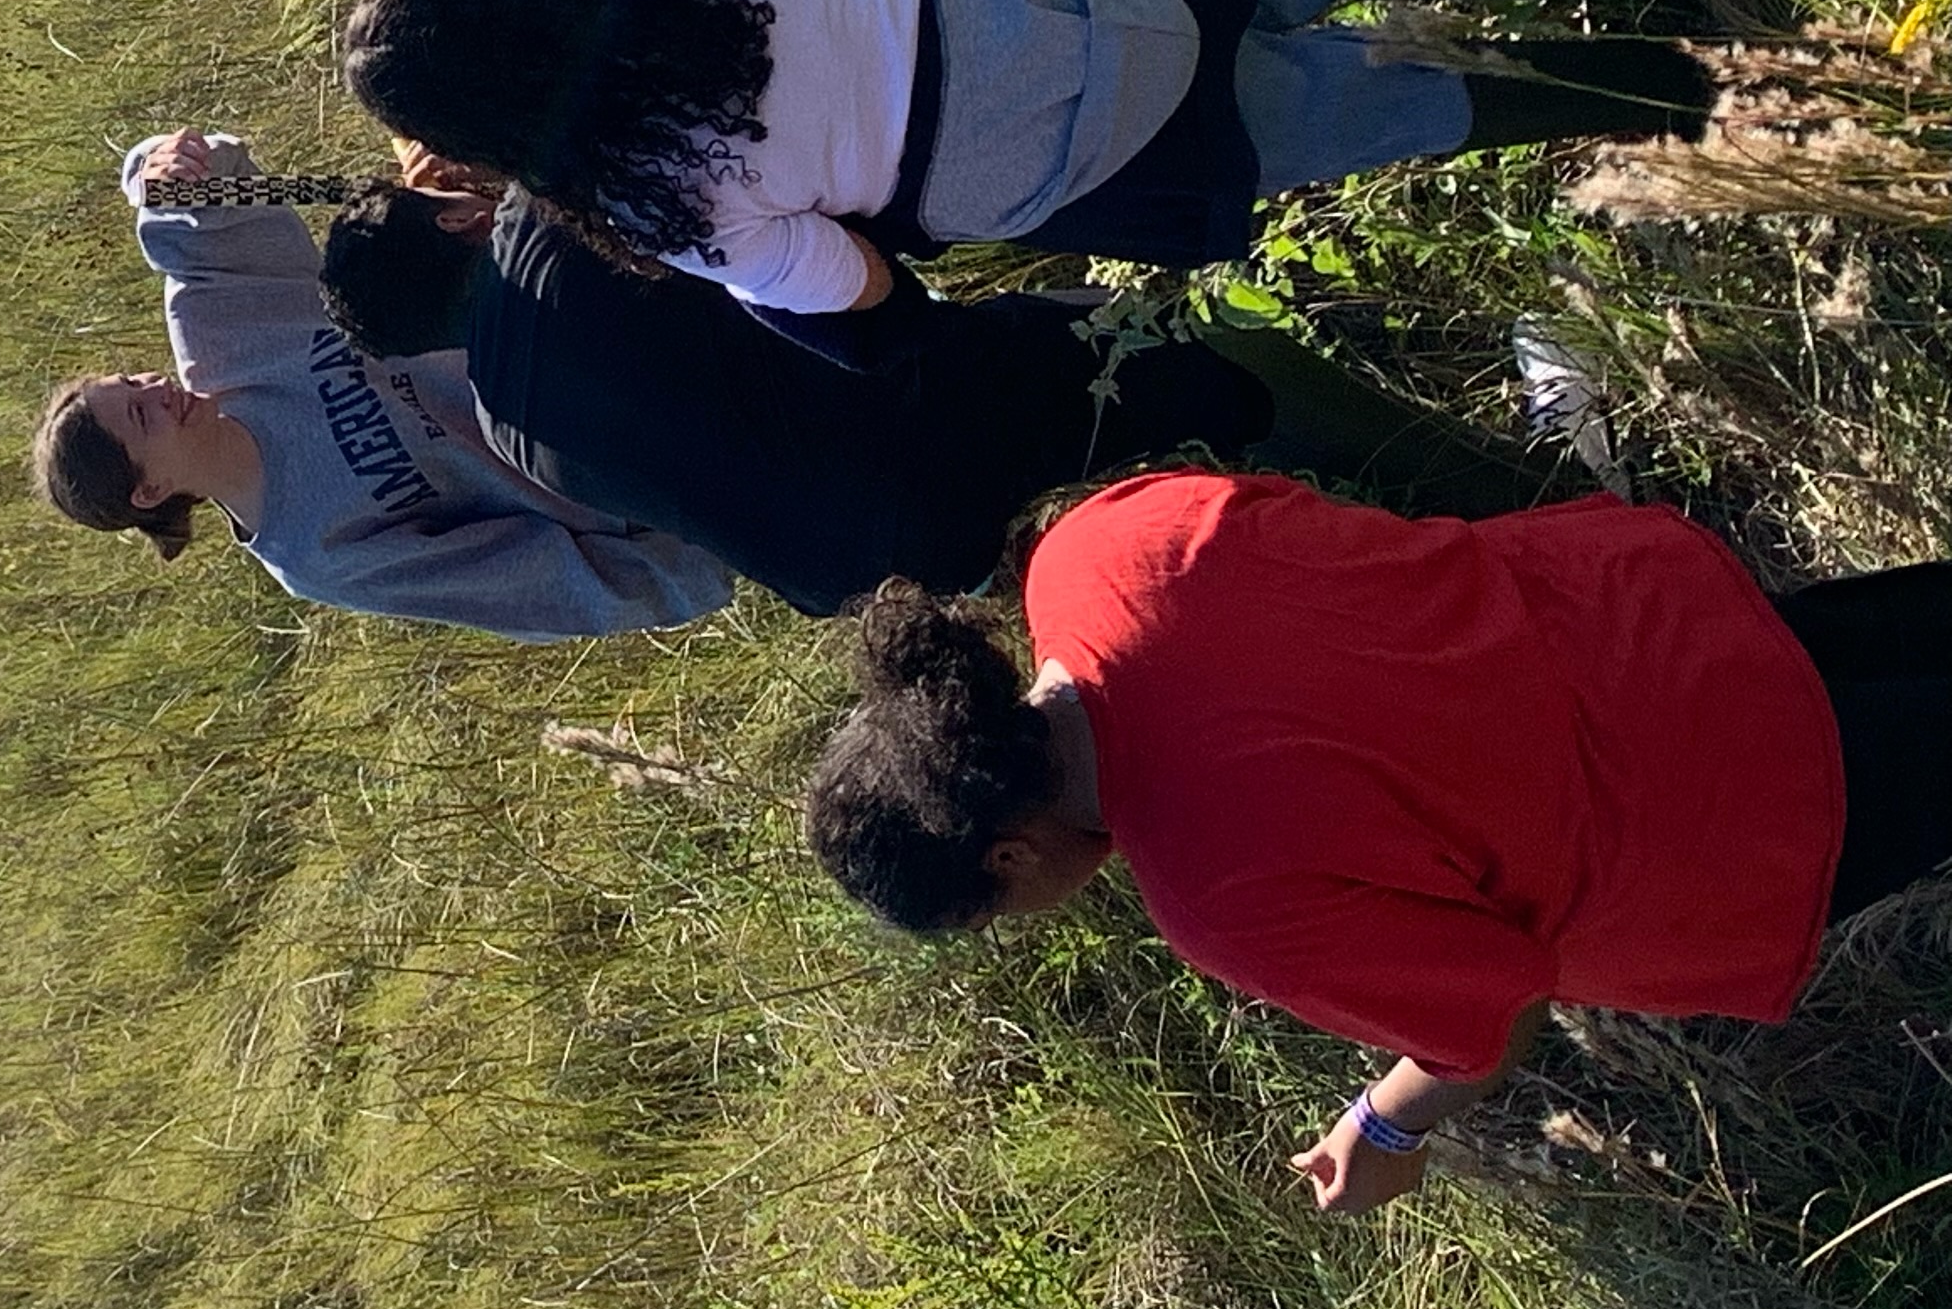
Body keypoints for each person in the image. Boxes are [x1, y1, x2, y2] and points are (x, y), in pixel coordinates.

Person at [800, 468, 1952, 1212]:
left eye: (998, 910)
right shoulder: (1102, 549)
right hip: (1666, 611)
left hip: (1748, 812)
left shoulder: (1226, 903)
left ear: (1006, 857)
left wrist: (1383, 1130)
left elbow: (1489, 1012)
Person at [338, 0, 1719, 313]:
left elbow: (844, 284)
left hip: (1088, 150)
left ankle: (1678, 91)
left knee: (1362, 110)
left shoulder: (651, 204)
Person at [310, 182, 1566, 613]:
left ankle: (1389, 512)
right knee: (1199, 351)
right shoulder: (556, 219)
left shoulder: (522, 437)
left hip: (918, 568)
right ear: (459, 213)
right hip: (930, 427)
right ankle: (1540, 501)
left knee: (1134, 394)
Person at [29, 130, 735, 640]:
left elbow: (206, 188)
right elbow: (538, 585)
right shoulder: (316, 553)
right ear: (149, 491)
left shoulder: (217, 331)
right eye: (140, 417)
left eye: (131, 380)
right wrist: (723, 548)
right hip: (662, 461)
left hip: (599, 291)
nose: (154, 387)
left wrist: (152, 177)